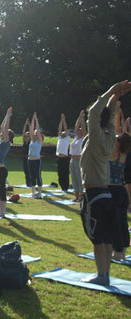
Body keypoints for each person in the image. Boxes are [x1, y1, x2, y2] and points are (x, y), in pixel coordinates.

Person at [80, 80, 131, 285]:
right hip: (107, 194)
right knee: (107, 237)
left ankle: (101, 275)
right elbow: (106, 117)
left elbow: (94, 112)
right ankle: (105, 275)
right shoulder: (110, 137)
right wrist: (115, 98)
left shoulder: (95, 137)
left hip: (93, 194)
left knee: (98, 238)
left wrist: (111, 91)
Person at [110, 105, 131, 261]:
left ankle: (118, 254)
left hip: (113, 191)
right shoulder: (124, 151)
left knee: (115, 223)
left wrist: (116, 114)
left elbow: (114, 132)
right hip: (122, 191)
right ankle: (122, 249)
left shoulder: (114, 154)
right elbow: (121, 134)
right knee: (122, 221)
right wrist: (118, 114)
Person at [0, 107, 14, 218]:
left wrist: (8, 116)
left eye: (5, 133)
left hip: (1, 170)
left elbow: (5, 127)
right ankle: (1, 212)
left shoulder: (6, 142)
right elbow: (2, 127)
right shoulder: (2, 142)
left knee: (1, 191)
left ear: (8, 136)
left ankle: (3, 213)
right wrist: (6, 114)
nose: (2, 133)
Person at [69, 110, 86, 202]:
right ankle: (76, 196)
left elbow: (83, 128)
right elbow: (76, 127)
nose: (78, 132)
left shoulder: (83, 138)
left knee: (79, 178)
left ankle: (81, 197)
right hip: (72, 159)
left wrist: (82, 119)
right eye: (78, 131)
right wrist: (79, 118)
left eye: (80, 131)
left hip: (79, 160)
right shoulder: (76, 138)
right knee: (74, 178)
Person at [28, 112, 44, 198]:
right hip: (30, 160)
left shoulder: (40, 141)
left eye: (36, 133)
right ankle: (33, 193)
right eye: (34, 133)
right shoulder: (32, 140)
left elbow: (37, 129)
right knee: (32, 176)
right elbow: (31, 129)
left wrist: (36, 119)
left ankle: (40, 193)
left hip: (37, 160)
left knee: (38, 176)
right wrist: (32, 120)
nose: (34, 134)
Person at [56, 114, 71, 192]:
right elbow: (59, 129)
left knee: (65, 173)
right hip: (59, 158)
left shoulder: (67, 139)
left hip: (65, 158)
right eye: (62, 133)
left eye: (64, 132)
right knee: (60, 174)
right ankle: (62, 187)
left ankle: (66, 187)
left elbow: (65, 128)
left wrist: (64, 120)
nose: (62, 133)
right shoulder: (60, 138)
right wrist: (61, 120)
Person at [22, 118, 31, 187]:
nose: (26, 136)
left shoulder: (31, 142)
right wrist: (25, 124)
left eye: (28, 135)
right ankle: (28, 184)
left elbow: (31, 132)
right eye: (26, 135)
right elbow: (23, 131)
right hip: (24, 158)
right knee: (26, 171)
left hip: (29, 158)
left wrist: (29, 125)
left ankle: (31, 183)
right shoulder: (24, 142)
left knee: (30, 171)